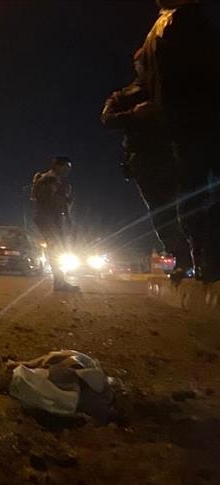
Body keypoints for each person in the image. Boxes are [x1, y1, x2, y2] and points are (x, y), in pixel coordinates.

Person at [139, 0, 220, 282]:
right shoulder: (187, 18)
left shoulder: (153, 34)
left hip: (179, 123)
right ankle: (210, 258)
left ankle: (203, 259)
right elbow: (210, 65)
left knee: (191, 190)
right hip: (205, 116)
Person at [101, 48, 193, 282]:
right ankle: (183, 257)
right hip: (146, 159)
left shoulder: (172, 89)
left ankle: (199, 256)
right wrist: (134, 114)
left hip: (177, 153)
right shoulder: (124, 95)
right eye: (146, 62)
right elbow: (107, 119)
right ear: (138, 66)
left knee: (188, 205)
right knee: (162, 210)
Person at [31, 157, 80, 292]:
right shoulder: (47, 180)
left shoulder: (57, 181)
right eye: (66, 166)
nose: (68, 170)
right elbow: (46, 201)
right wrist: (63, 199)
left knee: (58, 248)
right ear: (58, 166)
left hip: (54, 219)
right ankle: (59, 282)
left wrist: (67, 218)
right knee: (55, 248)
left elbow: (62, 204)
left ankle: (60, 281)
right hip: (48, 219)